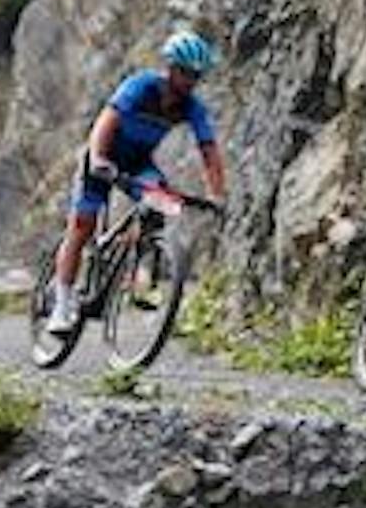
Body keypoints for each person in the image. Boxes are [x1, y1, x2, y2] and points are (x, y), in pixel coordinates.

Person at [46, 30, 233, 333]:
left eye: (196, 76)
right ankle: (61, 303)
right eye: (184, 73)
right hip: (104, 154)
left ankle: (134, 274)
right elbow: (105, 123)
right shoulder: (142, 87)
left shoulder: (192, 108)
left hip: (137, 163)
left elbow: (209, 152)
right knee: (82, 225)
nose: (189, 82)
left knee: (162, 206)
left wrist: (217, 195)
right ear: (170, 68)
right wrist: (98, 160)